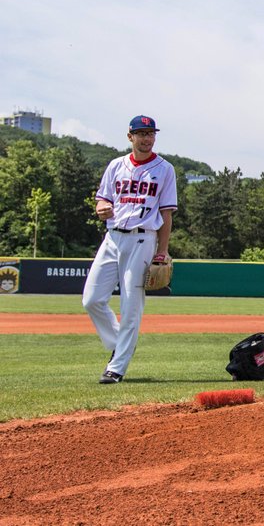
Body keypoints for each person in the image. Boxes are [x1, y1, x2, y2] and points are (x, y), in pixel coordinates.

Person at [82, 115, 178, 384]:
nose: (147, 138)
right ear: (130, 137)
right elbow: (103, 199)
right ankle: (119, 343)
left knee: (130, 305)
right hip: (112, 238)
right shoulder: (116, 165)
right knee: (91, 299)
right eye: (141, 133)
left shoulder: (165, 169)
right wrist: (100, 208)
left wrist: (163, 250)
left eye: (151, 133)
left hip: (142, 239)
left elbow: (167, 213)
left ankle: (117, 367)